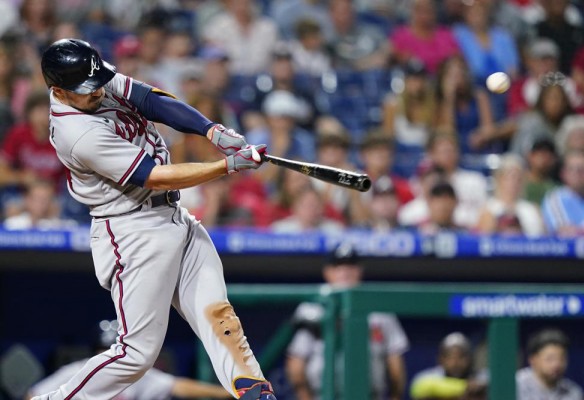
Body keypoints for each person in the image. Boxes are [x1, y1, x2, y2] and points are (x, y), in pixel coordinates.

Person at [34, 38, 275, 400]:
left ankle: (255, 391)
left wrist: (211, 130)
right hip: (132, 228)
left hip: (173, 215)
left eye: (97, 81)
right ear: (59, 91)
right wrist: (226, 166)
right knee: (136, 354)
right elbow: (152, 175)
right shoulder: (75, 132)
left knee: (218, 314)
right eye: (87, 89)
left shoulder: (91, 79)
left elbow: (149, 99)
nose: (97, 90)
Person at [286, 243, 409, 400]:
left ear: (360, 270)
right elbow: (296, 365)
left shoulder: (379, 309)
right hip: (322, 395)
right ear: (327, 272)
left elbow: (395, 363)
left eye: (351, 266)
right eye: (338, 266)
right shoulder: (311, 308)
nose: (345, 272)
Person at [26, 319, 232, 400]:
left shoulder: (131, 370)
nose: (108, 355)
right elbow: (33, 395)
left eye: (113, 349)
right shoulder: (77, 371)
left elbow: (178, 386)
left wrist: (230, 394)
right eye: (102, 350)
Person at [476, 154, 545, 237]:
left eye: (519, 178)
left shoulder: (533, 210)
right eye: (510, 177)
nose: (514, 182)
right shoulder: (488, 209)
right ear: (499, 179)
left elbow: (544, 239)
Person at [410, 332, 487, 400]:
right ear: (440, 359)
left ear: (470, 358)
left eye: (461, 356)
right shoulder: (428, 377)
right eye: (450, 357)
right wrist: (465, 388)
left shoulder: (480, 376)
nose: (456, 363)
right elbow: (418, 388)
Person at [542, 150, 584, 236]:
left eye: (583, 169)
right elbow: (565, 232)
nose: (578, 174)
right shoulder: (555, 198)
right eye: (573, 169)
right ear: (563, 174)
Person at [516, 328, 584, 400]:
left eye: (562, 359)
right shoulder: (516, 385)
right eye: (550, 359)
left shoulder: (573, 391)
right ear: (533, 360)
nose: (557, 364)